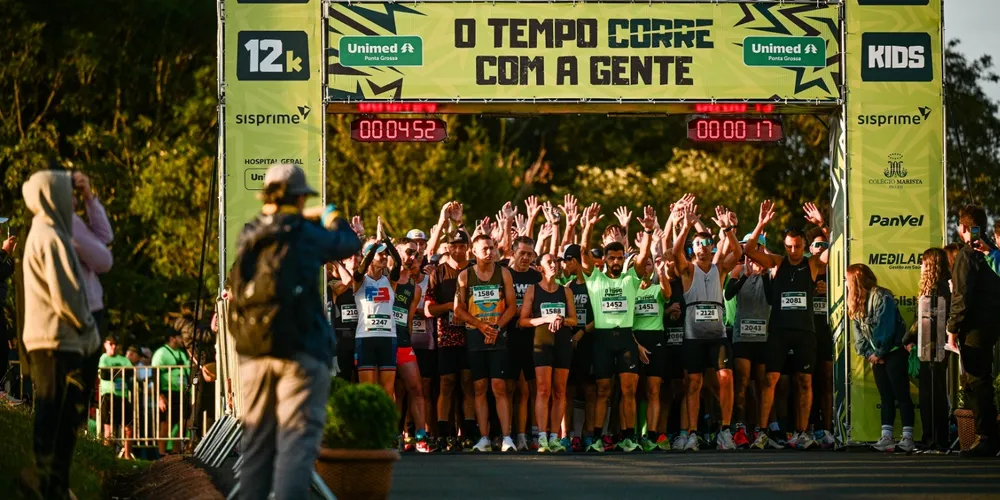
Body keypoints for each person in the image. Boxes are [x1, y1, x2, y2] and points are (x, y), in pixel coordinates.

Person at [231, 164, 360, 499]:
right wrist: (330, 215)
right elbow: (348, 243)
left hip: (254, 352)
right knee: (295, 444)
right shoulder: (304, 232)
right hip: (301, 353)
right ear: (301, 198)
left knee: (256, 445)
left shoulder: (250, 233)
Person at [20, 169, 101, 500]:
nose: (71, 202)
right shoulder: (50, 236)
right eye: (67, 194)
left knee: (58, 413)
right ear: (53, 197)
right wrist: (88, 327)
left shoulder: (45, 232)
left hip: (53, 339)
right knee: (56, 412)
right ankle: (45, 483)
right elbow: (66, 294)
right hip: (56, 341)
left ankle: (53, 482)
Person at [744, 201, 829, 451]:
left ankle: (802, 433)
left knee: (805, 381)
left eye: (798, 247)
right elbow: (749, 250)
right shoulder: (778, 263)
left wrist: (822, 225)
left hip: (805, 332)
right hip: (779, 331)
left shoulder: (811, 264)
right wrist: (761, 223)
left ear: (804, 245)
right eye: (790, 246)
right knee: (769, 380)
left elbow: (837, 247)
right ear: (785, 245)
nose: (794, 251)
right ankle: (761, 432)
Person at [579, 203, 656, 453]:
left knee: (628, 390)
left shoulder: (629, 278)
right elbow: (582, 251)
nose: (614, 261)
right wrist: (588, 226)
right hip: (602, 339)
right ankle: (597, 438)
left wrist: (648, 231)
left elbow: (643, 258)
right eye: (611, 257)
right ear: (605, 258)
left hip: (624, 339)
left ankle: (627, 437)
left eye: (619, 258)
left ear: (624, 260)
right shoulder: (595, 278)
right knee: (603, 390)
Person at [672, 202, 741, 451]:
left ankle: (725, 430)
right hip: (693, 337)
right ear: (693, 248)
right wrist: (686, 226)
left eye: (706, 243)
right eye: (698, 243)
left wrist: (728, 229)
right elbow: (674, 253)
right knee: (693, 384)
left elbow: (738, 253)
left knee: (726, 378)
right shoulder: (688, 270)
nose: (702, 247)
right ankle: (690, 433)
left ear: (712, 247)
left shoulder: (720, 268)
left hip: (718, 335)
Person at [454, 234, 519, 452]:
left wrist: (496, 328)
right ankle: (484, 438)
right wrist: (480, 326)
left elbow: (512, 307)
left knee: (499, 386)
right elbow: (458, 309)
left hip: (498, 334)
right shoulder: (464, 276)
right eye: (484, 249)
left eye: (492, 248)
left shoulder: (504, 273)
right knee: (479, 387)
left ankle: (507, 437)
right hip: (475, 335)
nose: (489, 252)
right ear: (474, 251)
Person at [948, 204, 1000, 457]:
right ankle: (986, 434)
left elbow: (962, 296)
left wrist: (952, 329)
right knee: (983, 381)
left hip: (974, 327)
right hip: (992, 324)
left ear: (965, 228)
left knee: (978, 381)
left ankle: (986, 436)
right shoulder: (992, 251)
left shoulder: (968, 254)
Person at [847, 263, 915, 452]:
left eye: (847, 280)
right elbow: (858, 336)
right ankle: (887, 437)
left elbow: (886, 329)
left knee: (901, 394)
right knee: (885, 396)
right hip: (876, 356)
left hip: (893, 351)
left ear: (856, 280)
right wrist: (870, 354)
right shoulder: (854, 301)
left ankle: (908, 438)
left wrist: (879, 353)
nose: (846, 284)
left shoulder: (883, 296)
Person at [425, 225, 478, 452]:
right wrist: (450, 307)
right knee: (446, 385)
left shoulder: (476, 271)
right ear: (447, 248)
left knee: (468, 385)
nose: (458, 250)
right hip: (446, 338)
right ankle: (443, 434)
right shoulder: (438, 272)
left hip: (472, 336)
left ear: (468, 248)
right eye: (454, 246)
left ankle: (467, 434)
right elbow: (428, 310)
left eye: (462, 246)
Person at [520, 252, 578, 452]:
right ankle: (542, 436)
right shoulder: (533, 290)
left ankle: (555, 436)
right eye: (549, 262)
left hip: (562, 340)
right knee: (543, 389)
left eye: (556, 262)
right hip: (542, 339)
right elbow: (523, 321)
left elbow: (574, 320)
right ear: (540, 268)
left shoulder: (566, 291)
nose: (554, 265)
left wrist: (561, 319)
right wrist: (546, 319)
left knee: (560, 390)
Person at [902, 247, 951, 450]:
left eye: (923, 263)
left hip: (934, 347)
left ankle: (935, 439)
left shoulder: (939, 288)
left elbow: (923, 321)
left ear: (931, 265)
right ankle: (932, 436)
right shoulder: (937, 287)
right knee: (931, 392)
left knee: (933, 393)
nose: (920, 267)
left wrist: (908, 338)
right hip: (929, 346)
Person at [726, 235, 772, 449]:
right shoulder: (738, 269)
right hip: (743, 336)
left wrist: (762, 274)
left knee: (762, 385)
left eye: (757, 247)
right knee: (742, 383)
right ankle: (740, 427)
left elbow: (772, 298)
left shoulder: (770, 272)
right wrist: (745, 275)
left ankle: (760, 429)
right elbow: (728, 294)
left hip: (763, 338)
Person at [346, 227, 403, 395]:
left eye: (385, 254)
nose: (384, 256)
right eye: (380, 254)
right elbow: (360, 270)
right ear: (368, 257)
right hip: (365, 338)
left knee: (388, 390)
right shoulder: (359, 280)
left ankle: (386, 421)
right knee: (367, 390)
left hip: (388, 338)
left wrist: (385, 241)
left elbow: (398, 262)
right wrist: (373, 246)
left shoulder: (390, 280)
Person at [393, 237, 432, 452]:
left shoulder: (414, 288)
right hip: (380, 339)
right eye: (408, 252)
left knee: (416, 388)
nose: (412, 257)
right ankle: (391, 434)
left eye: (416, 254)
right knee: (390, 391)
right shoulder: (383, 277)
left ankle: (420, 436)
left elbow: (407, 321)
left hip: (402, 341)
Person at [506, 235, 541, 450]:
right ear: (513, 253)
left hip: (532, 337)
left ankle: (530, 434)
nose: (526, 258)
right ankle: (509, 433)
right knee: (509, 388)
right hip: (508, 337)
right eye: (522, 254)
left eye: (530, 254)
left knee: (531, 389)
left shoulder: (537, 277)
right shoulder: (505, 274)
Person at [152, 329, 192, 455]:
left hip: (182, 392)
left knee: (184, 421)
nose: (182, 340)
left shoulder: (182, 353)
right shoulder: (161, 353)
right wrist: (159, 396)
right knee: (165, 423)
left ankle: (175, 452)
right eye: (180, 337)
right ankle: (162, 453)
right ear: (173, 338)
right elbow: (155, 373)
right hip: (167, 391)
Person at [98, 335, 134, 459]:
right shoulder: (104, 359)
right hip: (108, 395)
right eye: (110, 344)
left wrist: (115, 372)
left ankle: (127, 455)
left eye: (115, 344)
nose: (113, 346)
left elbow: (130, 372)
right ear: (105, 345)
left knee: (128, 426)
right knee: (108, 428)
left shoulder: (123, 359)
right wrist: (120, 372)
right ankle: (108, 456)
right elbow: (105, 375)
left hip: (122, 395)